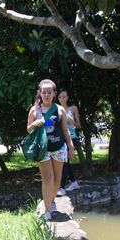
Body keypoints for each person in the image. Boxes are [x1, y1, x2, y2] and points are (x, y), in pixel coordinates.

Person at [27, 79, 74, 221]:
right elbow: (29, 130)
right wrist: (35, 123)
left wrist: (71, 147)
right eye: (44, 92)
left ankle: (51, 199)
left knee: (57, 180)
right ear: (40, 94)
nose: (46, 94)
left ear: (54, 93)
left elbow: (66, 130)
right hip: (43, 150)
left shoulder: (60, 110)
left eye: (49, 92)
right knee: (47, 178)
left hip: (59, 148)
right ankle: (48, 210)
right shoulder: (35, 110)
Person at [57, 88, 82, 195]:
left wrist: (72, 121)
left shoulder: (73, 108)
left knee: (64, 162)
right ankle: (74, 182)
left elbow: (79, 126)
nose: (62, 99)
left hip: (71, 138)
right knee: (65, 162)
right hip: (60, 139)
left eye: (64, 97)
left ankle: (61, 187)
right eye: (60, 97)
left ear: (67, 97)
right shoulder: (56, 109)